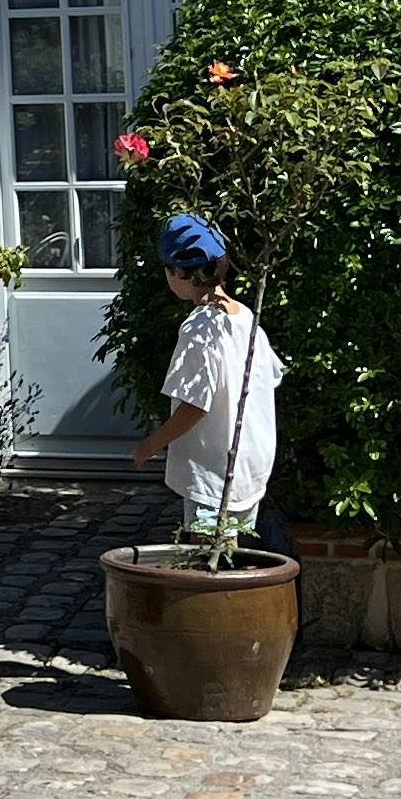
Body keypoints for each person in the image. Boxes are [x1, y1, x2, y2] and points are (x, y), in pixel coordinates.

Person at [128, 213, 287, 553]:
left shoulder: (199, 329)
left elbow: (194, 405)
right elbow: (269, 378)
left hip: (213, 475)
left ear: (179, 272)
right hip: (249, 467)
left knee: (207, 560)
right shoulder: (246, 319)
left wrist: (151, 445)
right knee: (234, 555)